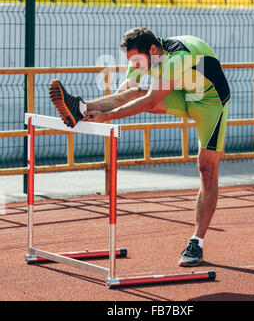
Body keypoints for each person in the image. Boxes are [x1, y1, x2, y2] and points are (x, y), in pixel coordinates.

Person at [49, 27, 230, 267]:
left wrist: (108, 115)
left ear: (153, 50)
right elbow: (128, 90)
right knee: (135, 91)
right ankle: (79, 107)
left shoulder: (178, 58)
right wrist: (99, 109)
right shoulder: (145, 56)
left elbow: (150, 101)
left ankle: (196, 242)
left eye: (136, 60)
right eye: (130, 61)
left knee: (207, 169)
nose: (133, 65)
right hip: (184, 92)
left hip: (209, 102)